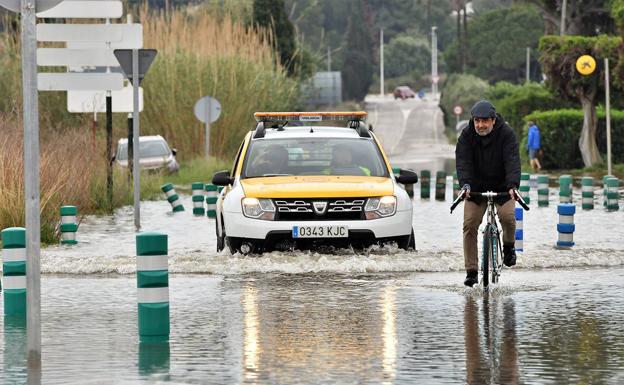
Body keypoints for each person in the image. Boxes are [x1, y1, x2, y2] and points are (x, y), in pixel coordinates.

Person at [455, 100, 521, 287]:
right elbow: (463, 163)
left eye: (484, 121)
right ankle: (472, 271)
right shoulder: (467, 135)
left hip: (503, 187)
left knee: (508, 218)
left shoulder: (506, 134)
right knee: (469, 225)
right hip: (475, 189)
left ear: (493, 120)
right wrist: (465, 185)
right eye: (477, 121)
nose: (480, 125)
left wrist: (512, 185)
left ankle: (508, 247)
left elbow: (512, 161)